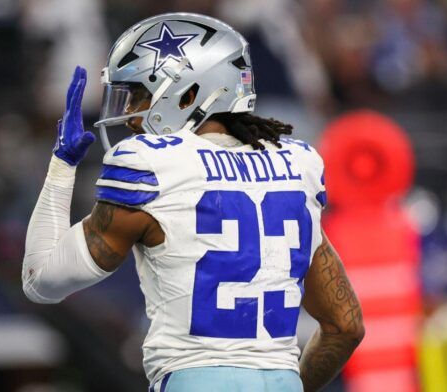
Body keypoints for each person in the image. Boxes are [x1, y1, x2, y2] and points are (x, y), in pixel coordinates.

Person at [22, 13, 364, 391]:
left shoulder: (150, 163)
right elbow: (345, 326)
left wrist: (61, 166)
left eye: (139, 95)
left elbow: (41, 281)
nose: (130, 115)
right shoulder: (297, 164)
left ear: (188, 94)